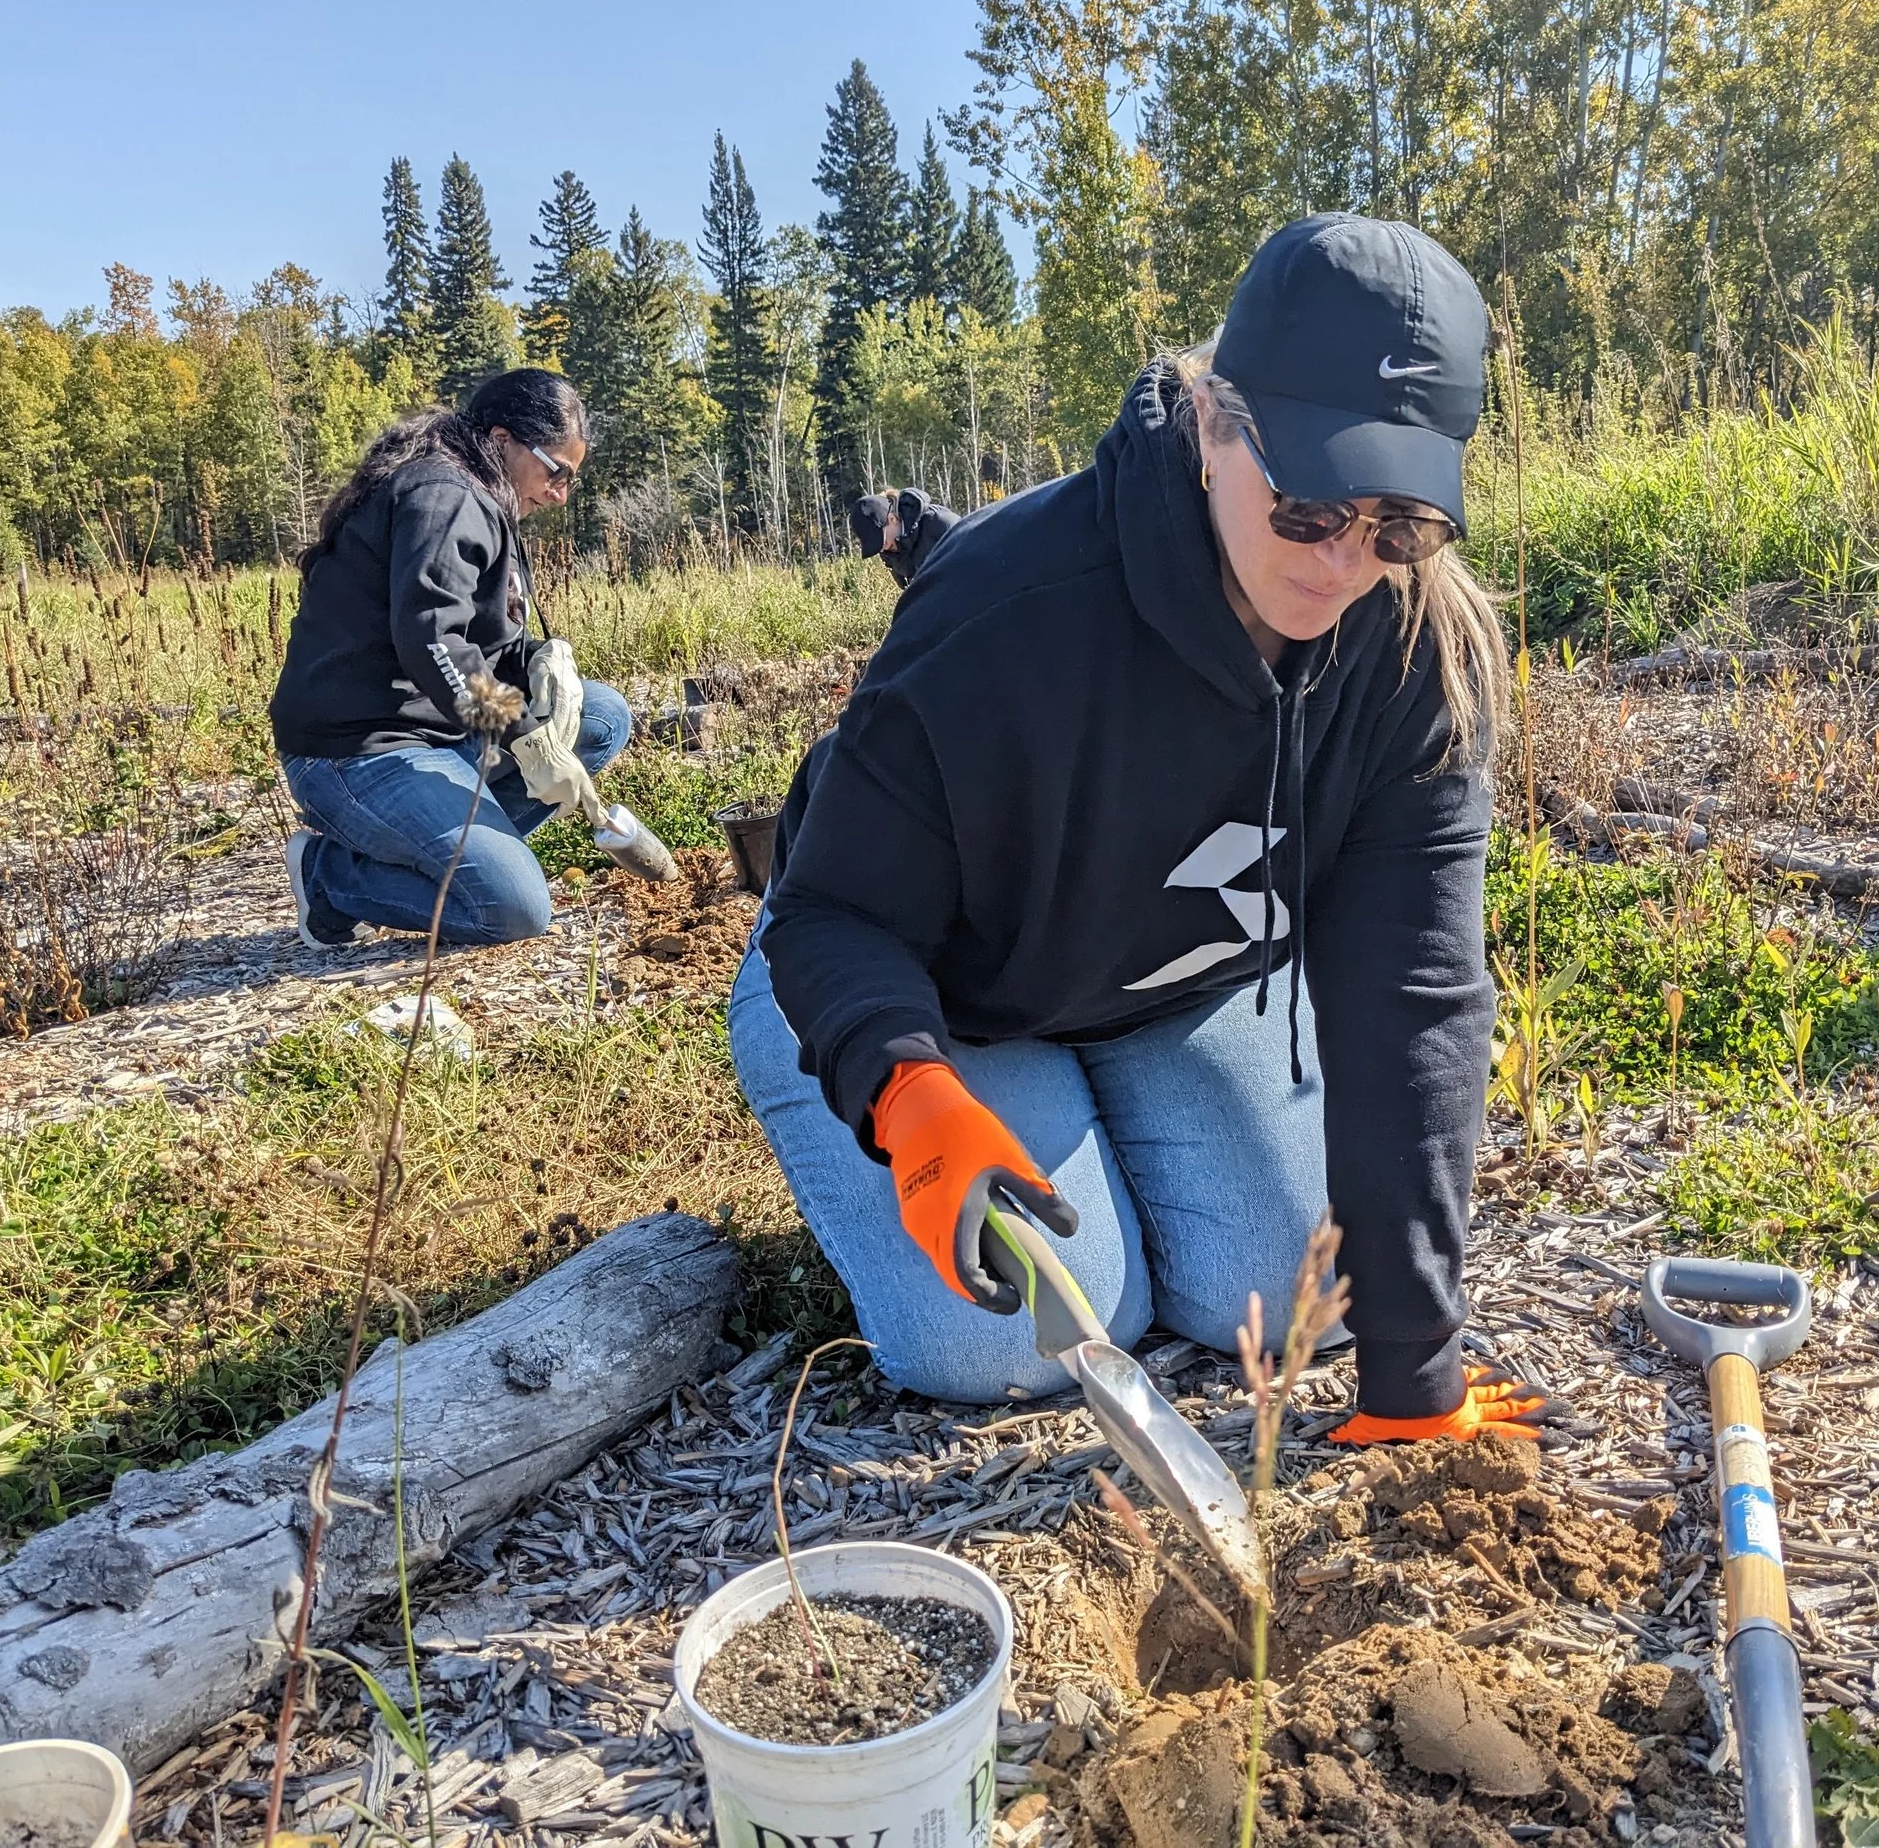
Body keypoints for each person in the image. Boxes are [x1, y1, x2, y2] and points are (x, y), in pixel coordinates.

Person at [732, 215, 1545, 1448]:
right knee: (1007, 1343)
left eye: (1400, 525)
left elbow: (1413, 996)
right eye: (1311, 507)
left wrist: (1415, 1368)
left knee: (1295, 1301)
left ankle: (1103, 1114)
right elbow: (833, 912)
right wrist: (907, 1095)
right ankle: (954, 1114)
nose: (1344, 565)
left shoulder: (1417, 649)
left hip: (1164, 987)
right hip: (932, 996)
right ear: (1216, 422)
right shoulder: (1004, 609)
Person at [272, 367, 675, 951]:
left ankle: (465, 849)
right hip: (356, 749)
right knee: (514, 909)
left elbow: (481, 641)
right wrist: (523, 732)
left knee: (601, 715)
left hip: (439, 728)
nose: (560, 492)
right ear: (502, 439)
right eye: (556, 470)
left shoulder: (486, 498)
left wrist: (536, 658)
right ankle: (330, 877)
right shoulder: (445, 498)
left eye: (571, 480)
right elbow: (431, 642)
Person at [847, 487, 958, 594]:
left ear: (892, 519)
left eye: (881, 540)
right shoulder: (887, 550)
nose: (882, 548)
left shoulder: (941, 523)